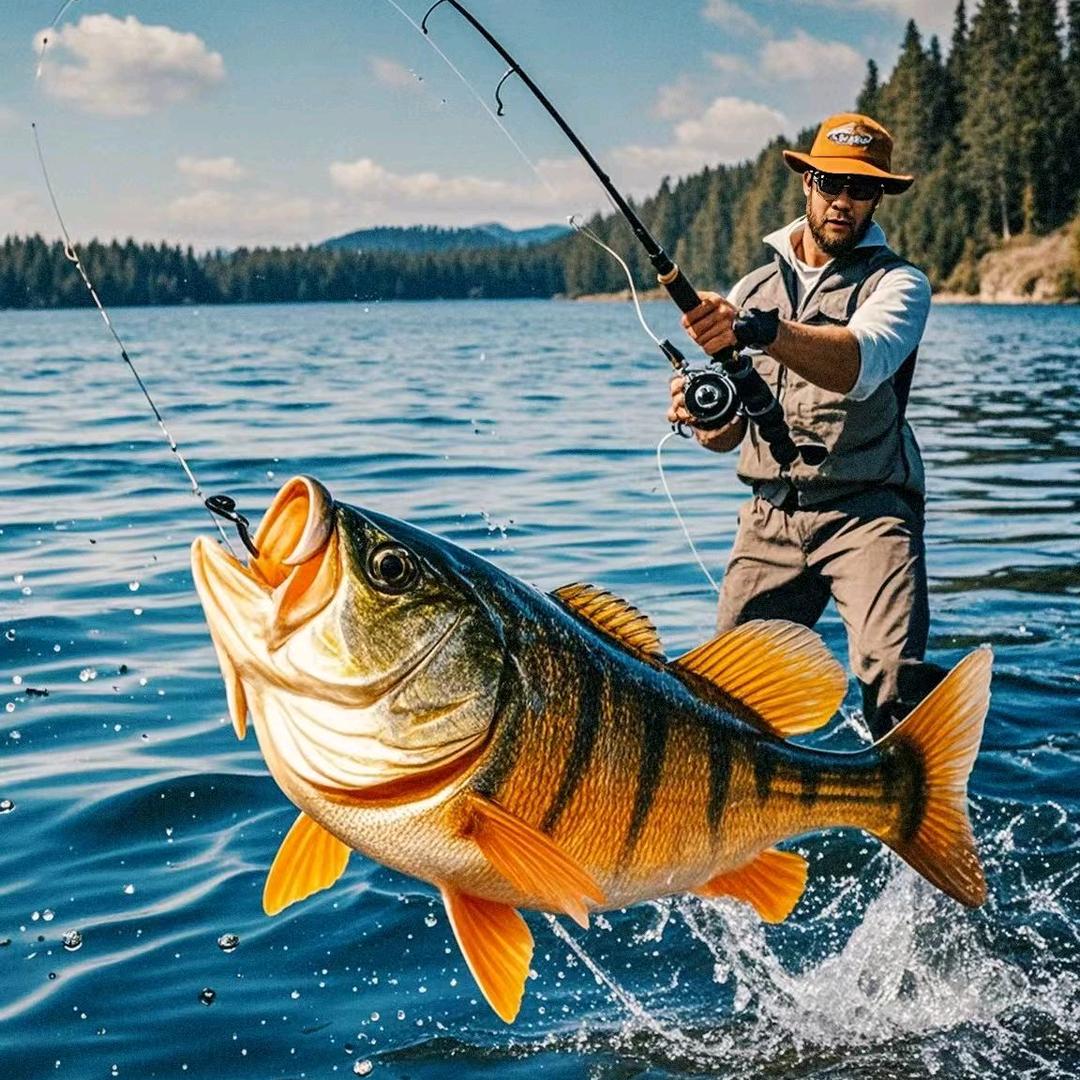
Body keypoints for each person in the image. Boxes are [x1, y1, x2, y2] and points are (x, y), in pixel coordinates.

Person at [667, 112, 945, 739]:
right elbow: (729, 436)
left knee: (897, 685)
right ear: (806, 184)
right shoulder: (753, 285)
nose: (843, 202)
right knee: (720, 705)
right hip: (768, 518)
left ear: (878, 197)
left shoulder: (900, 285)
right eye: (830, 184)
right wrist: (701, 411)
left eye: (861, 189)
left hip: (869, 514)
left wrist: (761, 328)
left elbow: (858, 364)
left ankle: (927, 821)